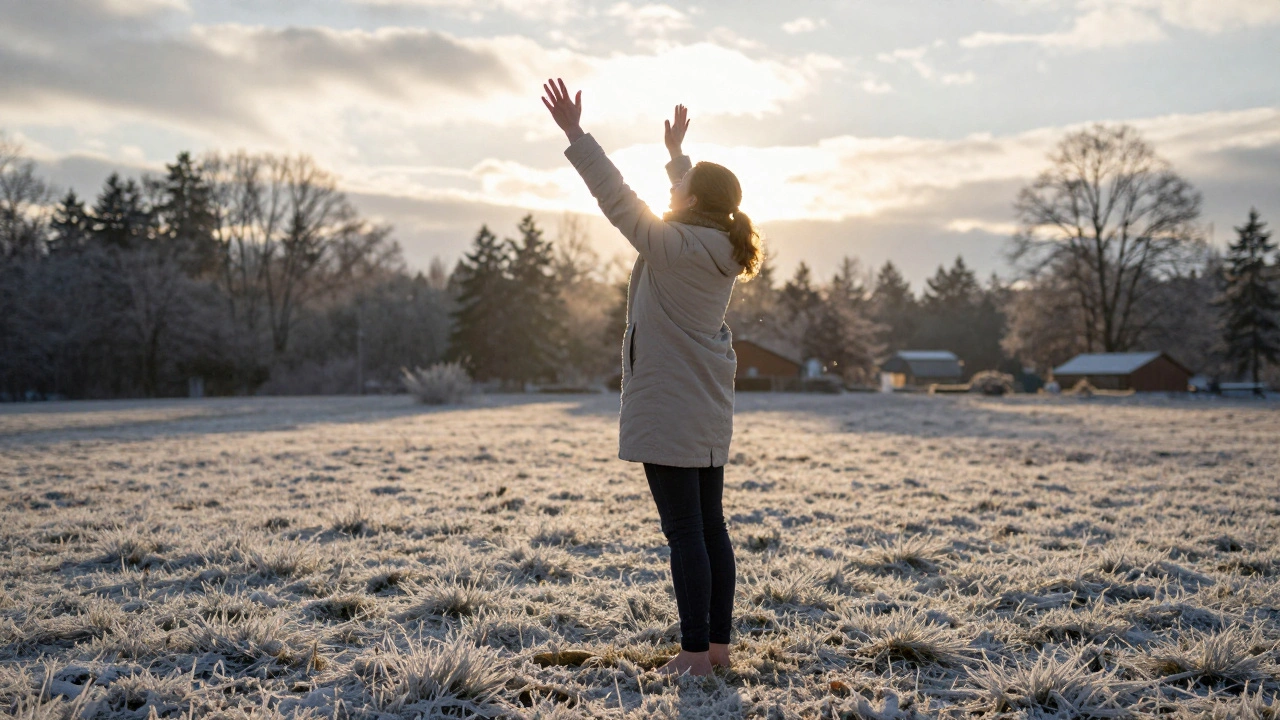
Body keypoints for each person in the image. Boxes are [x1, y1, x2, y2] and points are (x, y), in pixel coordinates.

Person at [541, 79, 763, 677]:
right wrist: (679, 162)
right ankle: (715, 648)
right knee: (709, 526)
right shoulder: (717, 245)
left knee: (686, 531)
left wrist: (576, 135)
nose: (676, 193)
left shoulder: (674, 247)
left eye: (682, 189)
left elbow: (616, 198)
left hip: (668, 399)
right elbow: (694, 206)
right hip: (705, 403)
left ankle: (693, 657)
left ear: (692, 203)